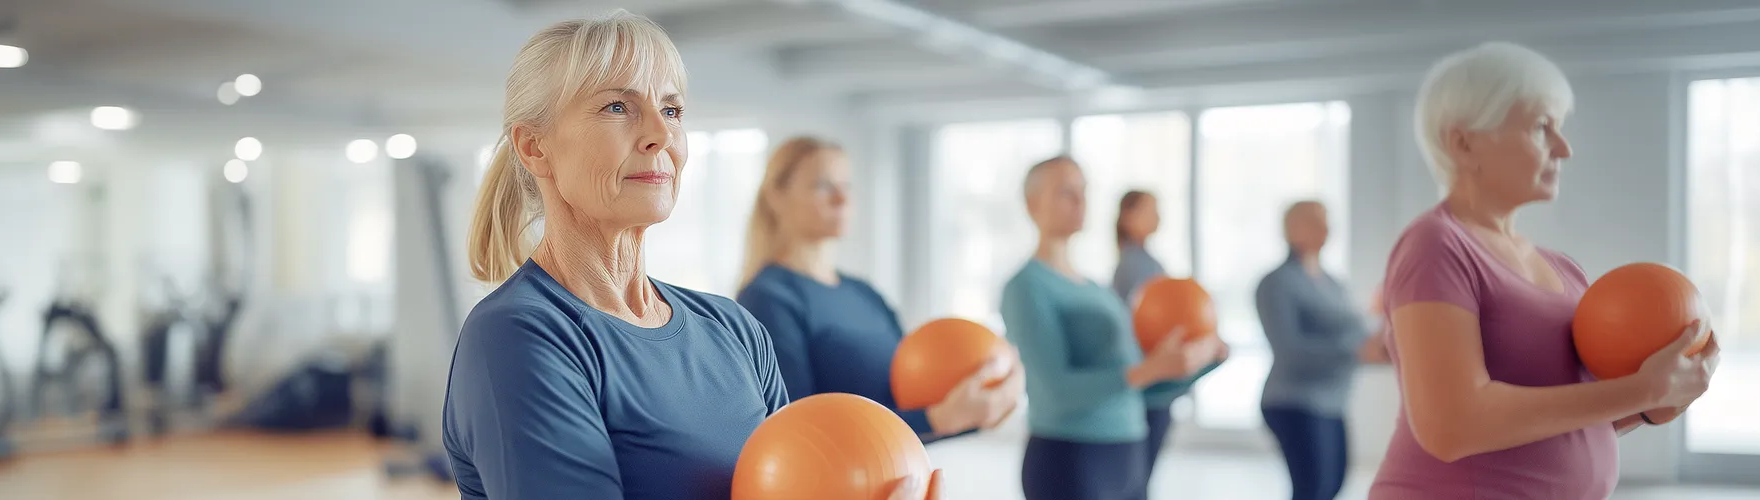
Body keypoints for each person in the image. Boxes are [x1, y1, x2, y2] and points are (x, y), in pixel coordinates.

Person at [439, 12, 932, 500]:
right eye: (617, 107)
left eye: (672, 111)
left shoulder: (734, 330)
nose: (661, 134)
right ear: (534, 147)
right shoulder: (517, 335)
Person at [1371, 42, 1717, 499]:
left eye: (1561, 128)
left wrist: (1658, 402)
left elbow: (1564, 422)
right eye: (1541, 128)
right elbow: (1450, 425)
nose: (1564, 148)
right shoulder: (1435, 245)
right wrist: (1641, 391)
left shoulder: (1563, 268)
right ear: (1464, 141)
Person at [736, 136, 1025, 444]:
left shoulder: (864, 293)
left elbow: (910, 408)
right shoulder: (768, 298)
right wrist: (938, 419)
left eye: (847, 186)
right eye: (823, 186)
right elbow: (796, 428)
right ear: (776, 196)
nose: (842, 199)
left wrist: (985, 403)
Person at [1004, 156, 1224, 500]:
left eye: (1083, 190)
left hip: (1127, 453)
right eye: (1066, 192)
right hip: (1071, 459)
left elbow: (1139, 385)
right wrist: (1147, 370)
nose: (1080, 201)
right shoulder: (1026, 286)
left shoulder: (1097, 289)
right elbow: (1055, 392)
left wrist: (1200, 362)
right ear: (1033, 205)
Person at [1254, 201, 1376, 500]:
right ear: (1292, 228)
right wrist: (1353, 353)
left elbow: (1358, 334)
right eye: (1315, 222)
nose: (1326, 229)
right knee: (1312, 490)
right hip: (1295, 402)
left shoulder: (1333, 283)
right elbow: (1290, 351)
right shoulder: (1276, 283)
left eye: (1326, 221)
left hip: (1333, 401)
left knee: (1332, 486)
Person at [1109, 189, 1223, 481]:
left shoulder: (1143, 261)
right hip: (1150, 387)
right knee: (1138, 477)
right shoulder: (1134, 265)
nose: (1158, 216)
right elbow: (1145, 327)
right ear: (1128, 217)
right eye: (1150, 210)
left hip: (1155, 382)